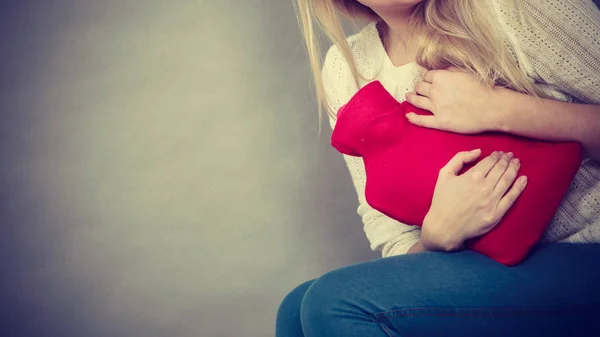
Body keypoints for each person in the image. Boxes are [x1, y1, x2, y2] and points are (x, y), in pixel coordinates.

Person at [276, 0, 600, 336]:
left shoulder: (513, 8)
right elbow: (392, 236)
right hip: (489, 269)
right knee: (296, 310)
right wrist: (437, 235)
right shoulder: (347, 68)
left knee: (334, 302)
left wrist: (499, 109)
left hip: (588, 252)